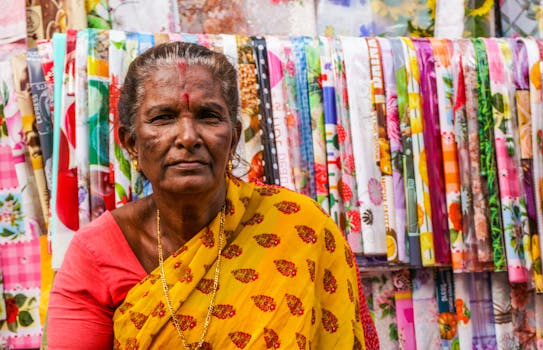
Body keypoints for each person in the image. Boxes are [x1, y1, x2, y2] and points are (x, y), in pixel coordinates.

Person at [47, 41, 379, 349]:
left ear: (233, 139)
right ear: (132, 143)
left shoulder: (301, 227)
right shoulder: (95, 254)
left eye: (208, 116)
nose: (188, 137)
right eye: (163, 118)